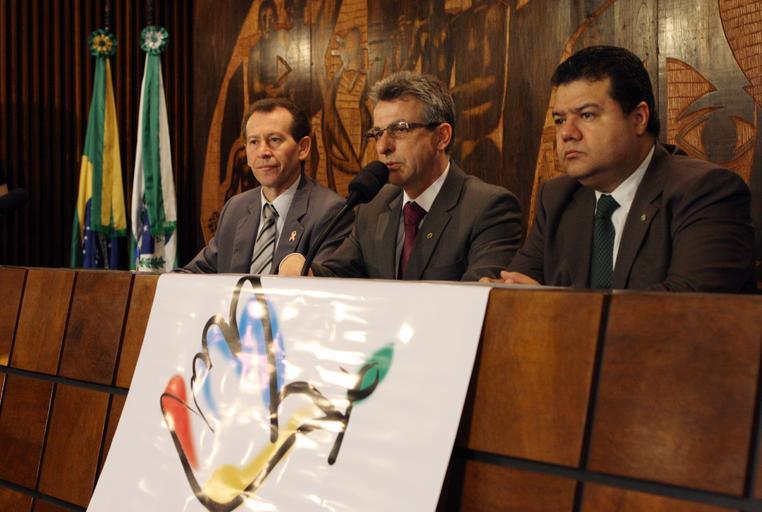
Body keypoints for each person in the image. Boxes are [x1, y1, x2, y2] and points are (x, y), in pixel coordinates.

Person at [497, 45, 756, 293]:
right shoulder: (557, 197)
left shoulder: (706, 192)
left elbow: (684, 306)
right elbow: (516, 286)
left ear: (638, 119)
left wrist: (552, 306)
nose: (566, 133)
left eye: (587, 115)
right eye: (560, 120)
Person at [280, 71, 522, 280]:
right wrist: (308, 271)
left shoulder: (488, 208)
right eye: (377, 133)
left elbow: (478, 301)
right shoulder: (374, 206)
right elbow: (339, 273)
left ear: (441, 137)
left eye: (400, 129)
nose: (382, 146)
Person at [182, 98, 351, 274]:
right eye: (254, 142)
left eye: (275, 140)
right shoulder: (235, 208)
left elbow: (325, 283)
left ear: (303, 148)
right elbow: (199, 272)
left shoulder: (330, 212)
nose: (263, 152)